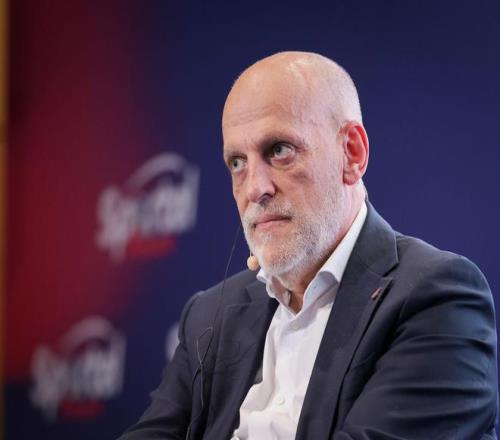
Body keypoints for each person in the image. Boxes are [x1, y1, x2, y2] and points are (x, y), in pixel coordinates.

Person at [119, 52, 498, 439]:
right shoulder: (209, 316)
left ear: (351, 153)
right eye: (237, 162)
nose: (255, 189)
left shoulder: (437, 298)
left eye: (279, 150)